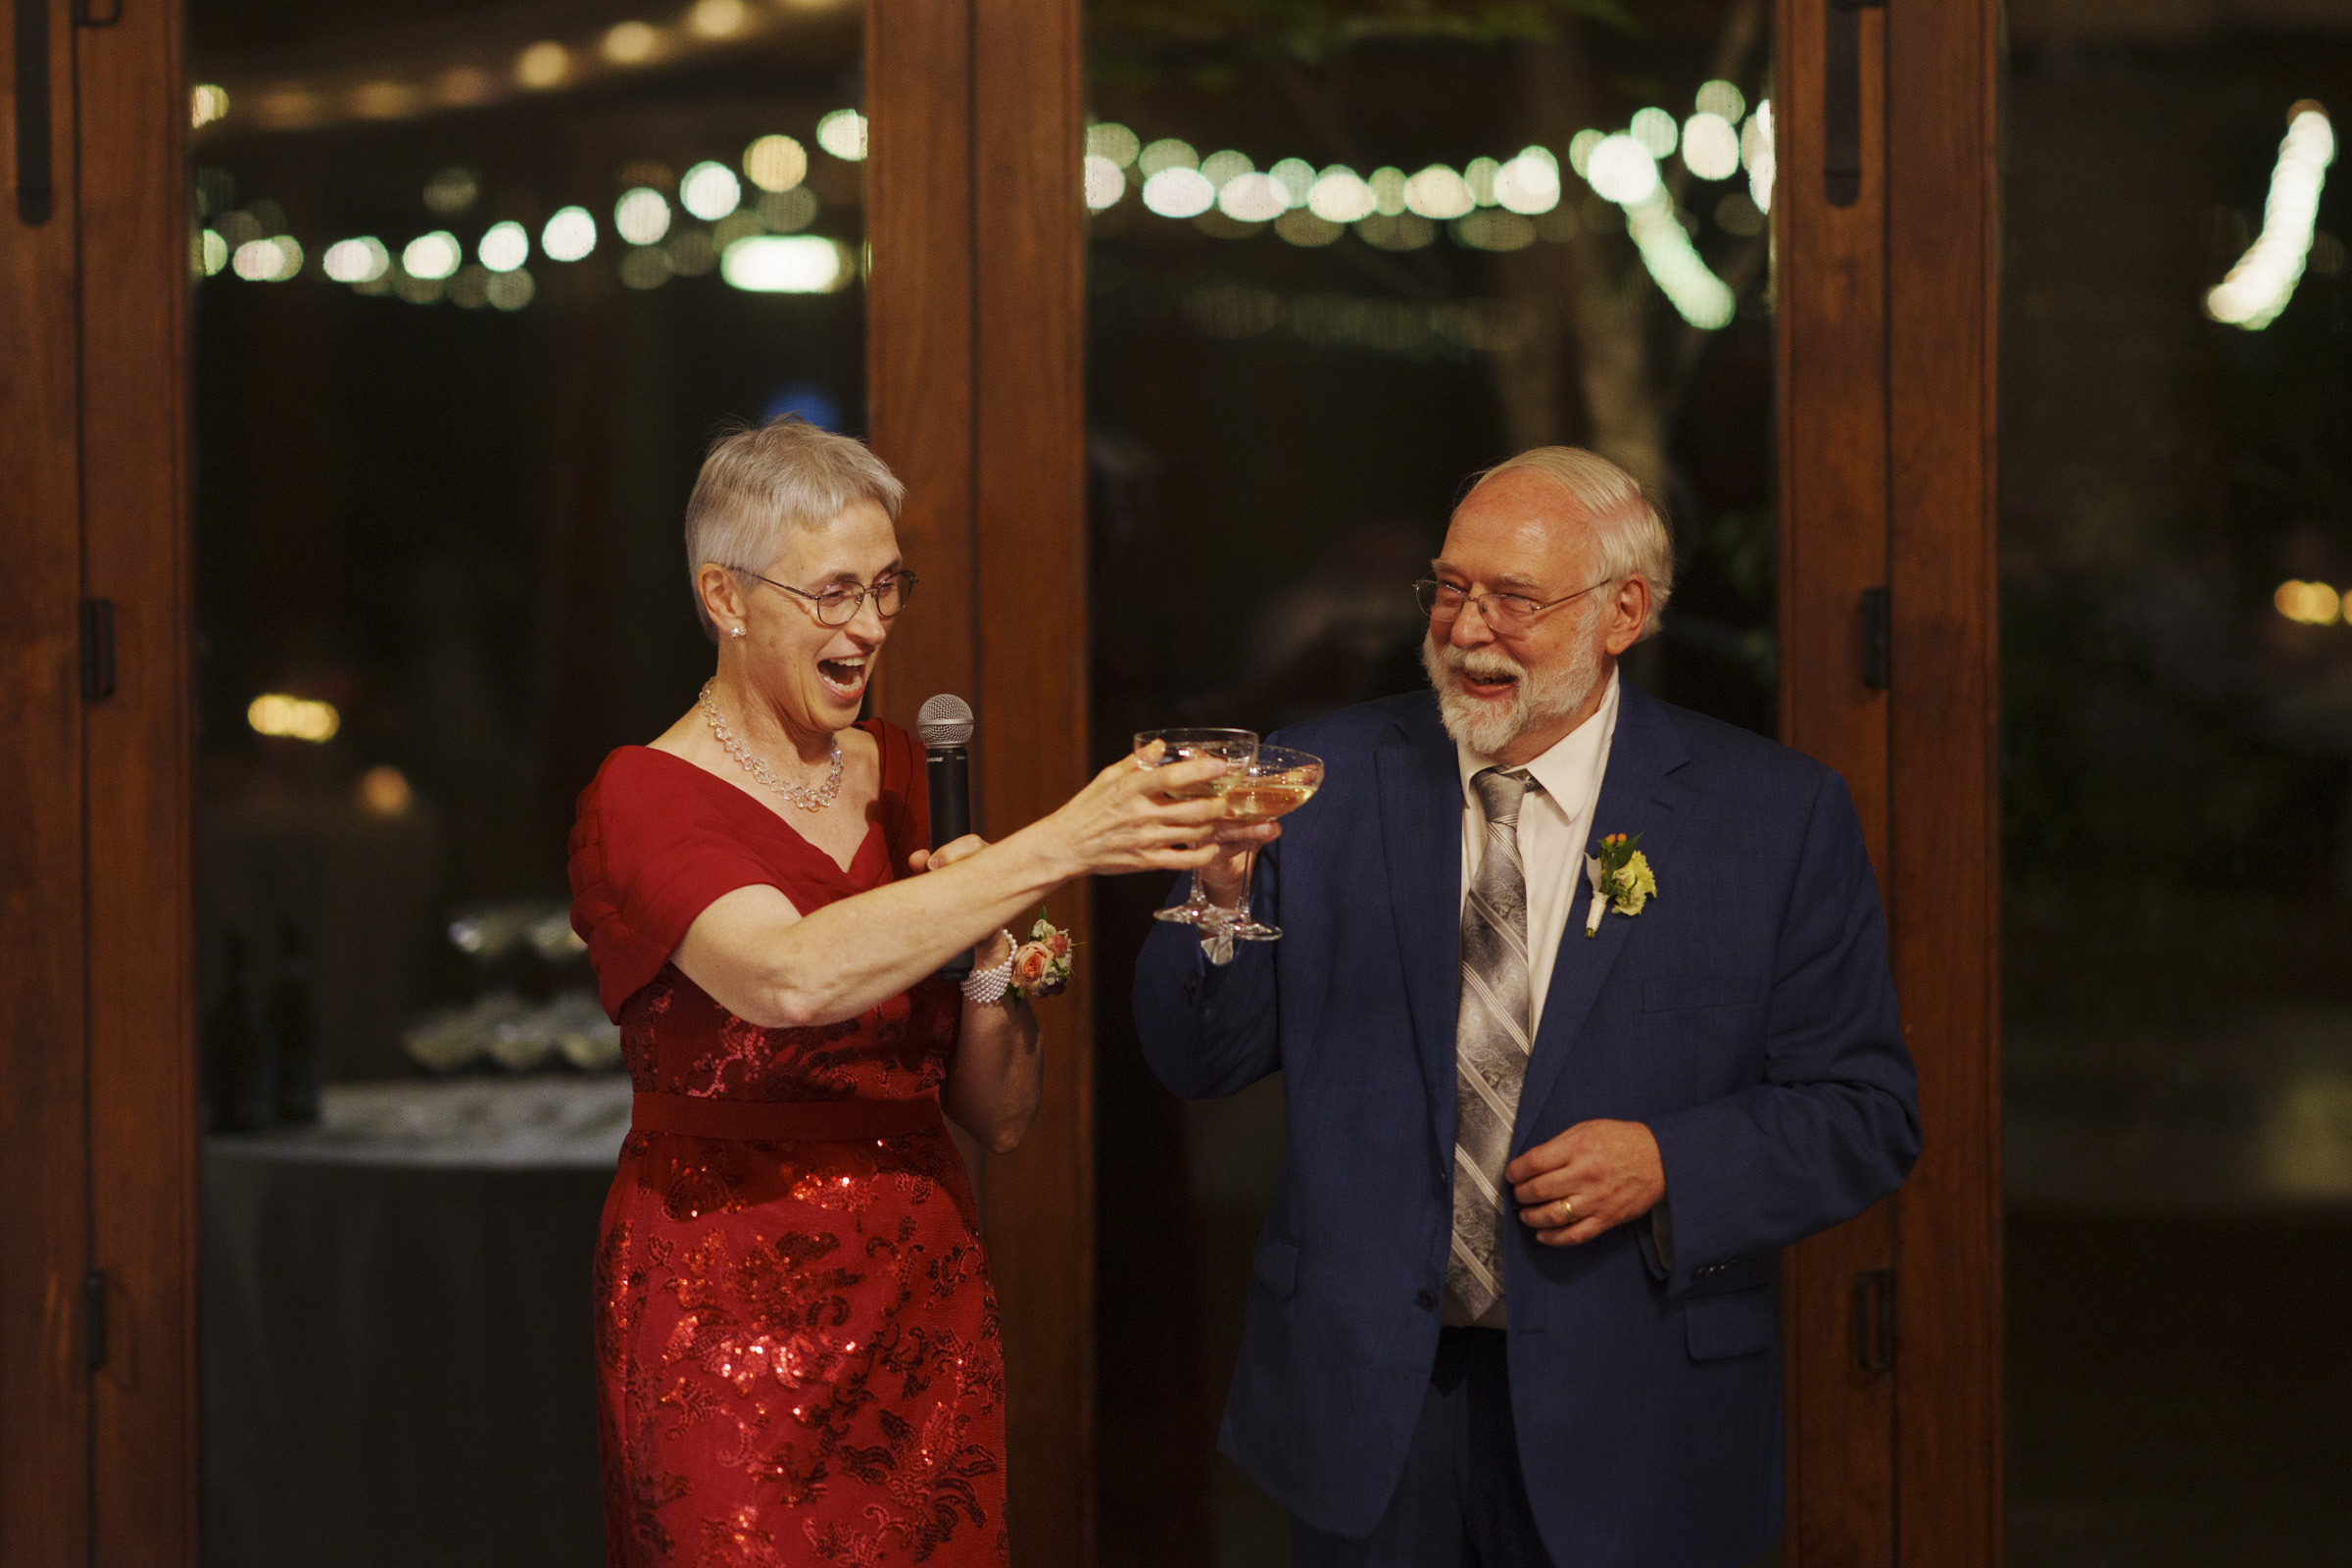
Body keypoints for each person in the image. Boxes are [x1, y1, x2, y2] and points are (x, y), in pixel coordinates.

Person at [1132, 447, 1922, 1568]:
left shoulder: (1772, 819)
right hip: (1373, 1416)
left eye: (1513, 598)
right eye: (1450, 589)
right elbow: (1196, 1056)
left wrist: (1668, 1162)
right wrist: (1217, 897)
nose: (1467, 629)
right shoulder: (1323, 782)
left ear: (1624, 612)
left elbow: (1866, 1110)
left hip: (1637, 1414)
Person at [569, 416, 1227, 1567]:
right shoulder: (643, 793)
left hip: (919, 1296)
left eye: (885, 587)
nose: (869, 625)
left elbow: (1005, 1113)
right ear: (724, 596)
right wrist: (1066, 838)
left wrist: (988, 957)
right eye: (832, 593)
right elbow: (788, 975)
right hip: (725, 1306)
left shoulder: (907, 776)